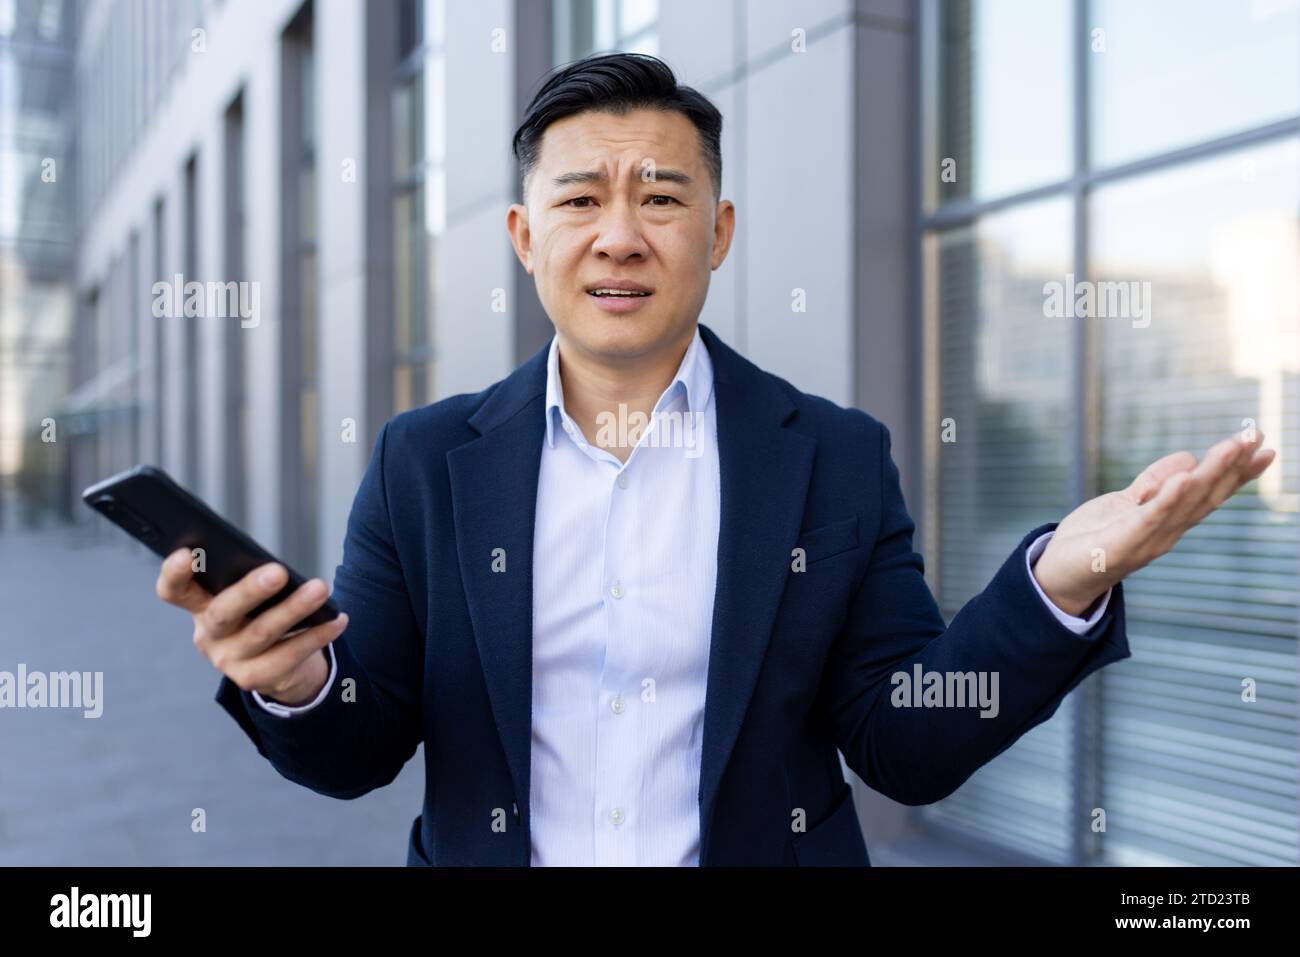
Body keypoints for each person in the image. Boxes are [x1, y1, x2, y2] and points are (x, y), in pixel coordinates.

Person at [154, 53, 1276, 866]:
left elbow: (904, 742)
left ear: (720, 231)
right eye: (581, 199)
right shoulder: (426, 460)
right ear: (522, 236)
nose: (619, 234)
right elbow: (362, 747)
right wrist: (295, 680)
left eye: (661, 197)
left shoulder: (830, 456)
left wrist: (1055, 588)